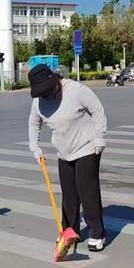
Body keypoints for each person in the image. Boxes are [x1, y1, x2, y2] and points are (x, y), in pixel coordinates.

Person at [28, 64, 107, 251]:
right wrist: (34, 147)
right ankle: (69, 231)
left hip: (87, 147)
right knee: (69, 194)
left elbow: (97, 109)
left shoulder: (76, 90)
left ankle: (97, 232)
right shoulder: (38, 102)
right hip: (64, 152)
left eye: (48, 91)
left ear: (55, 82)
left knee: (87, 191)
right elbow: (33, 123)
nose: (46, 96)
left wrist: (99, 137)